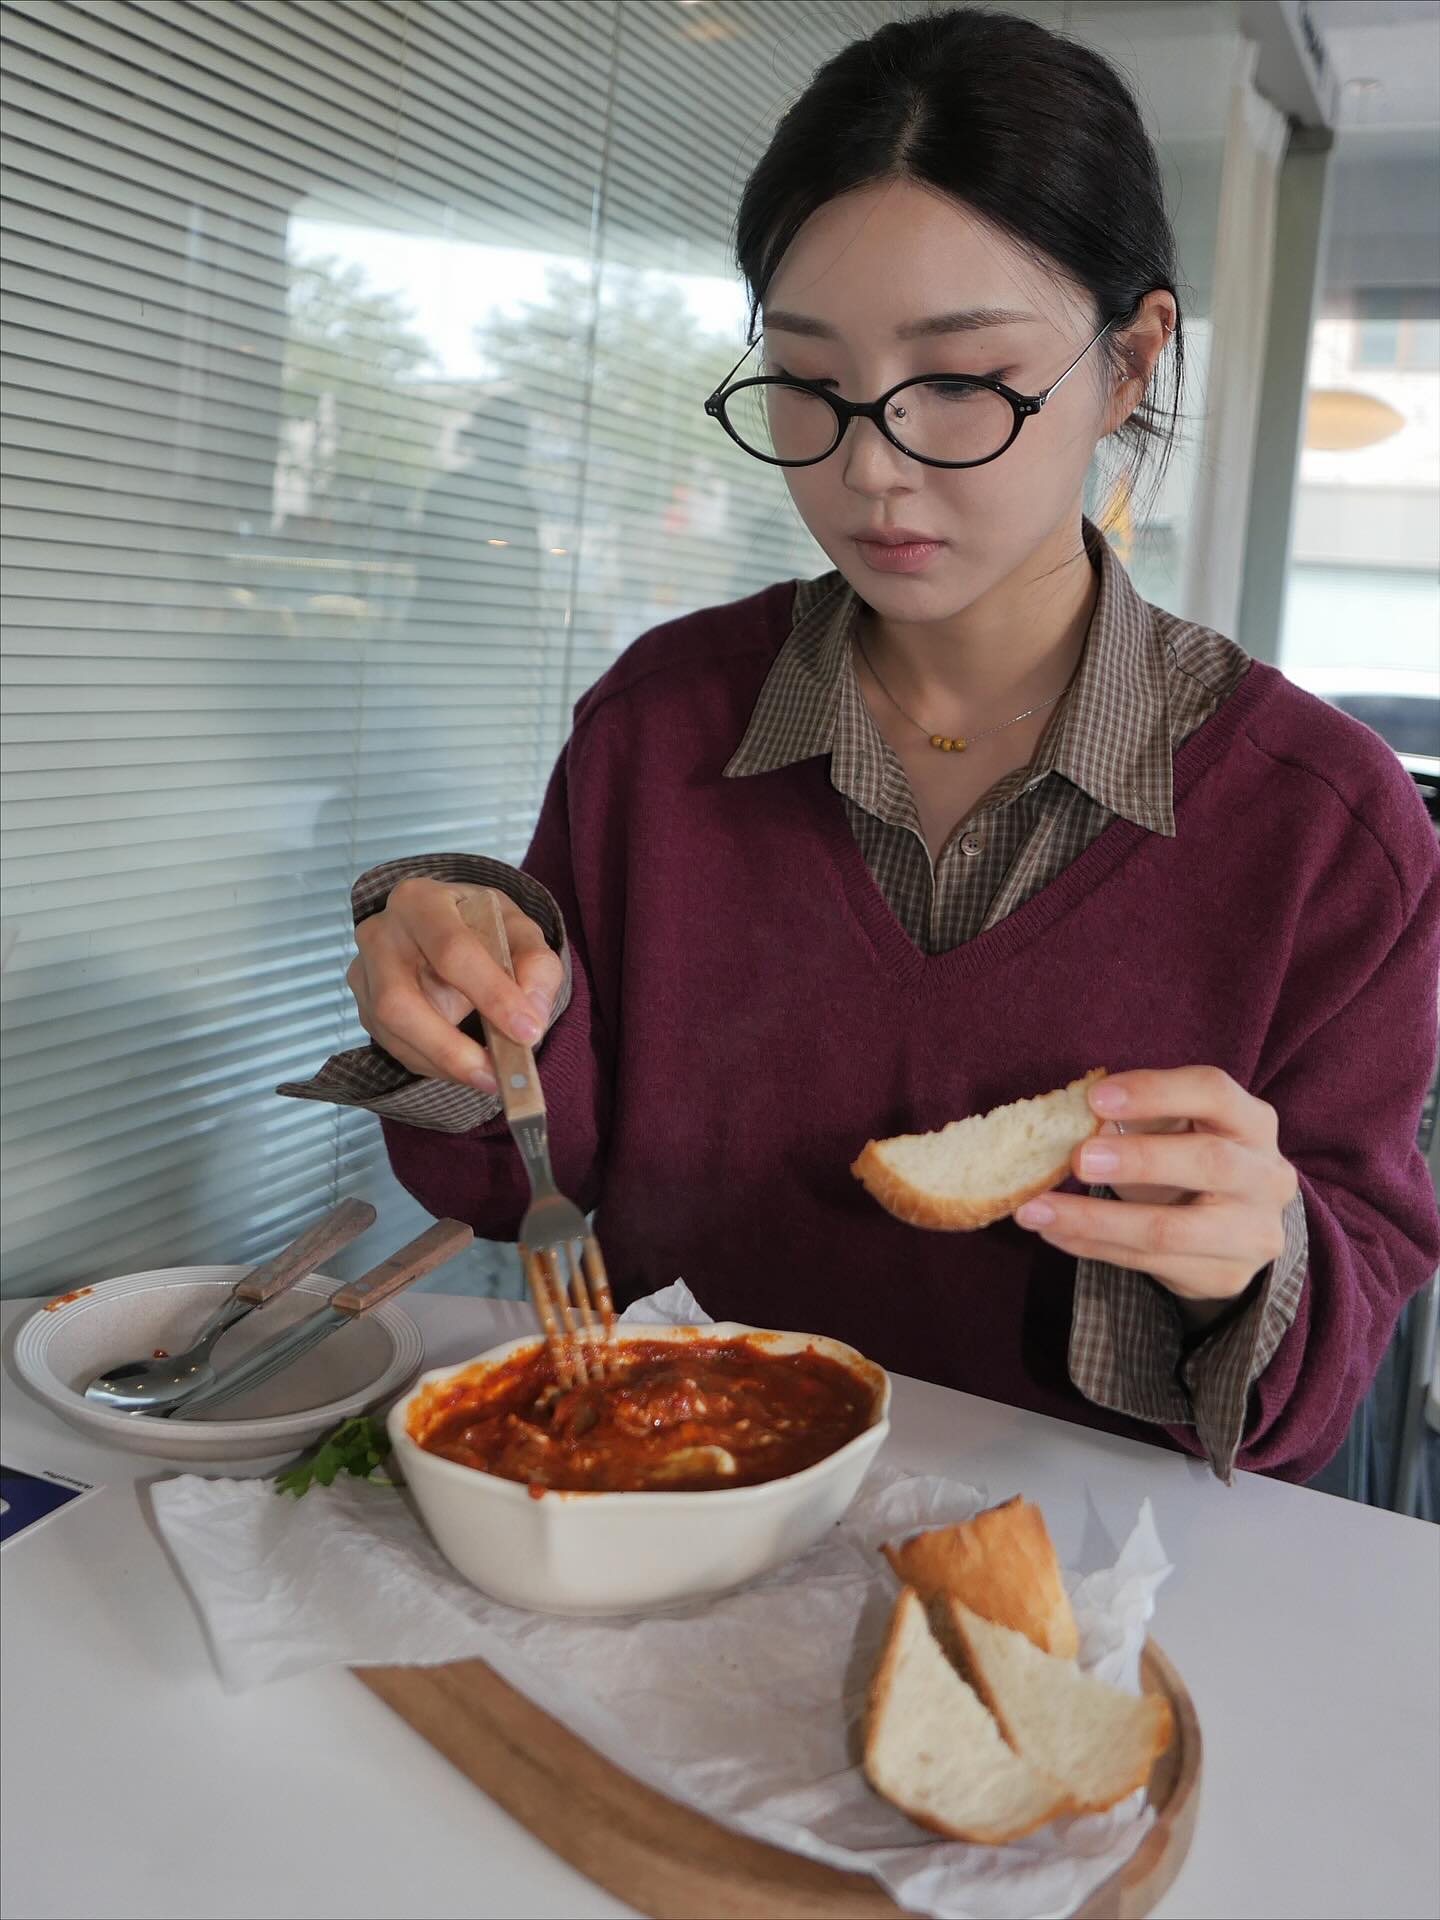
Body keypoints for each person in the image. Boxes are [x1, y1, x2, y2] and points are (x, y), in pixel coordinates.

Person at [283, 8, 1440, 1485]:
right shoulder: (660, 727)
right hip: (667, 1511)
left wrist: (1251, 1267)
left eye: (958, 382)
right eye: (812, 383)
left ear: (1132, 362)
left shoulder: (1324, 829)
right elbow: (527, 1188)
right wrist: (457, 1011)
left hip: (1076, 1569)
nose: (870, 468)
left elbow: (1326, 1364)